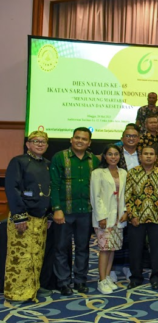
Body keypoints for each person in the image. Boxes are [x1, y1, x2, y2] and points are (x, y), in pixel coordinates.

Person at [51, 127, 101, 296]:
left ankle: (80, 280)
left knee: (83, 247)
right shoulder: (60, 157)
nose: (80, 141)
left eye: (84, 139)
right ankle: (64, 282)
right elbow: (54, 185)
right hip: (65, 212)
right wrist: (57, 209)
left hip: (86, 211)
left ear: (89, 143)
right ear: (71, 139)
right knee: (61, 248)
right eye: (77, 138)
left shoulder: (93, 161)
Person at [4, 130, 52, 301]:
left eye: (43, 141)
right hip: (24, 217)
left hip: (41, 219)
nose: (40, 144)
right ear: (28, 144)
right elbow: (12, 188)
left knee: (36, 255)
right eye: (36, 141)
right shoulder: (19, 162)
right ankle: (17, 292)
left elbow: (50, 191)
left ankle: (33, 287)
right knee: (21, 256)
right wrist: (20, 216)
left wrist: (49, 214)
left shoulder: (48, 164)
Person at [125, 146, 158, 290]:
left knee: (157, 249)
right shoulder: (132, 173)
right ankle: (136, 277)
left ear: (155, 157)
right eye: (145, 154)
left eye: (151, 154)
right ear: (140, 156)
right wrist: (132, 215)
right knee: (135, 249)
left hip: (156, 217)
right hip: (137, 218)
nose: (148, 156)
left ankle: (157, 277)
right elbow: (128, 196)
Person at [90, 145, 127, 295]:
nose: (113, 157)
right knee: (104, 249)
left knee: (112, 249)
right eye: (110, 154)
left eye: (116, 154)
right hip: (104, 218)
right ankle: (101, 280)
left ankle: (107, 277)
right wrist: (101, 217)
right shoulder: (97, 173)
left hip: (119, 217)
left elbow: (126, 194)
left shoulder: (123, 172)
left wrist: (126, 211)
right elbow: (95, 196)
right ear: (105, 156)